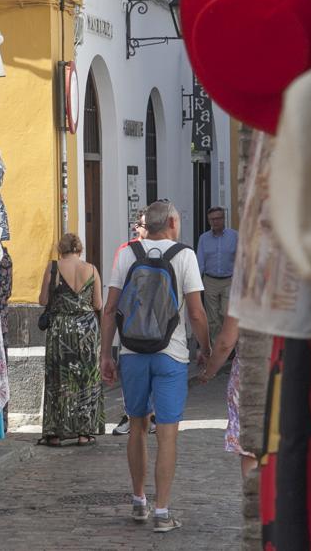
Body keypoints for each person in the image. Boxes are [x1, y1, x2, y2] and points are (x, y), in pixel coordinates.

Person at [100, 200, 211, 533]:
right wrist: (205, 349)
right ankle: (162, 512)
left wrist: (106, 354)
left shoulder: (127, 254)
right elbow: (196, 313)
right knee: (167, 433)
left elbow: (110, 309)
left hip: (132, 353)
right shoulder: (184, 255)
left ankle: (139, 502)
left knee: (136, 426)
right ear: (172, 223)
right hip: (171, 354)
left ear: (147, 224)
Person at [36, 232, 106, 446]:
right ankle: (85, 432)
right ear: (80, 249)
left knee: (58, 378)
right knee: (87, 378)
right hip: (86, 330)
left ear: (60, 249)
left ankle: (55, 433)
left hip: (61, 329)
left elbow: (43, 300)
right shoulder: (91, 269)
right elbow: (98, 304)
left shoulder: (53, 267)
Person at [110, 212, 155, 437]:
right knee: (131, 373)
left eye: (146, 224)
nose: (143, 228)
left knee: (154, 370)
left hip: (157, 319)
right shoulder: (125, 250)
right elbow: (117, 287)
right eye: (141, 224)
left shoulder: (164, 248)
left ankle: (151, 416)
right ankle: (130, 415)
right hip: (131, 320)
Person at [197, 313, 257, 478]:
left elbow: (226, 343)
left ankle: (255, 494)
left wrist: (209, 372)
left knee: (251, 448)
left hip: (250, 376)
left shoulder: (245, 296)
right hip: (288, 372)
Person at [196, 206, 237, 348]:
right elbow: (200, 262)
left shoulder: (234, 236)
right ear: (209, 221)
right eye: (212, 219)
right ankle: (217, 348)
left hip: (229, 280)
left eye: (218, 218)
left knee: (226, 315)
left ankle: (229, 347)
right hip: (210, 281)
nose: (215, 222)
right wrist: (197, 284)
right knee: (212, 318)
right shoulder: (204, 238)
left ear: (224, 219)